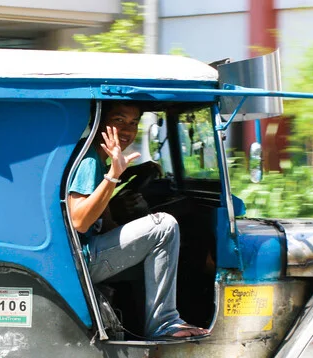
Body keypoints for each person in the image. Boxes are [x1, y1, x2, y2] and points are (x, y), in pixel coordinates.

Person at [66, 103, 209, 340]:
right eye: (119, 120)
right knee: (163, 226)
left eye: (133, 123)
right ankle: (164, 323)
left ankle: (139, 329)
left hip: (85, 255)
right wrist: (114, 175)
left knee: (155, 248)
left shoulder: (98, 159)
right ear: (98, 122)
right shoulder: (90, 159)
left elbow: (105, 223)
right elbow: (79, 220)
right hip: (81, 260)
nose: (127, 130)